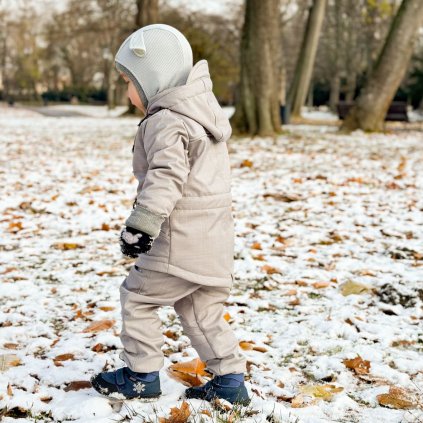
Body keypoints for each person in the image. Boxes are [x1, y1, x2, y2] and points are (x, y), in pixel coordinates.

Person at [90, 24, 249, 405]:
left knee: (137, 298)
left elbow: (166, 176)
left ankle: (141, 374)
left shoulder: (166, 119)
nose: (127, 93)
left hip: (178, 241)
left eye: (129, 81)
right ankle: (230, 381)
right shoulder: (202, 114)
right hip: (213, 241)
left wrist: (141, 224)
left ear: (152, 78)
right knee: (200, 310)